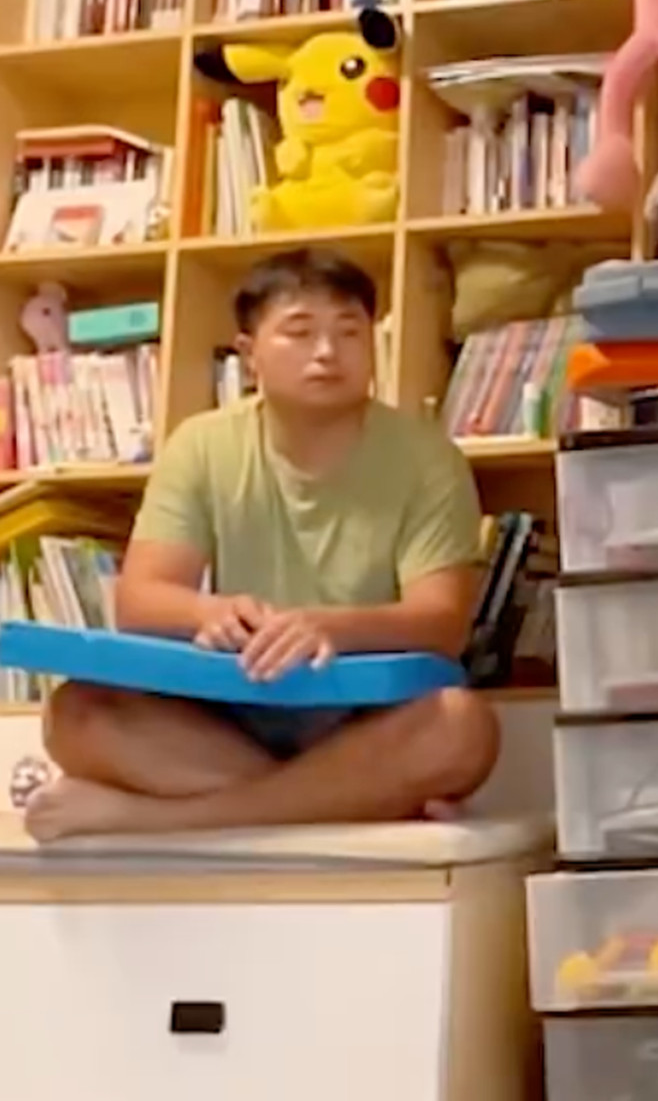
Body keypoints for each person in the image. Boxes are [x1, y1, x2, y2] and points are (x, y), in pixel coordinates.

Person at [24, 248, 497, 843]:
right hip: (229, 707)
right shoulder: (202, 445)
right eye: (300, 333)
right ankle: (355, 801)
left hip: (364, 710)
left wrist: (327, 627)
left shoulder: (427, 456)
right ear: (249, 356)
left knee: (462, 726)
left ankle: (158, 820)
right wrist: (210, 613)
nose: (327, 352)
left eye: (349, 332)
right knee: (77, 712)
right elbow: (140, 600)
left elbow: (443, 622)